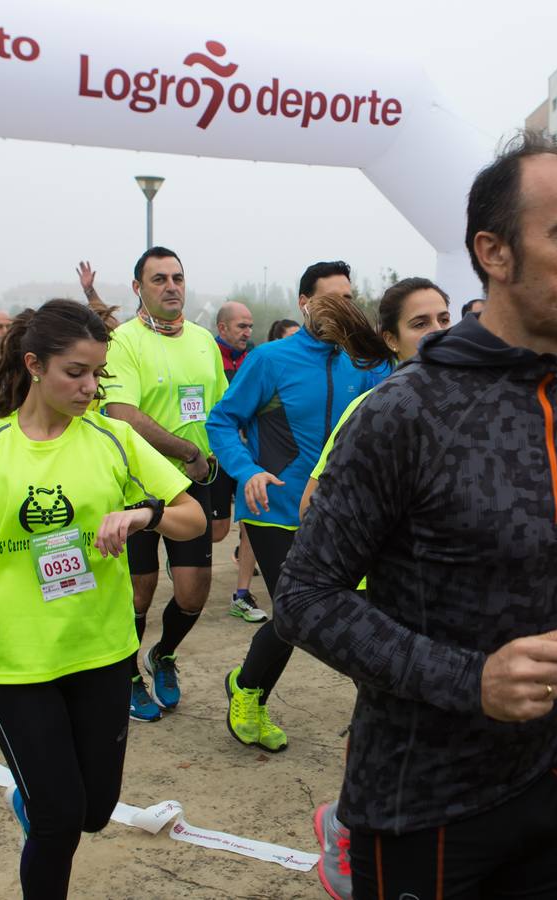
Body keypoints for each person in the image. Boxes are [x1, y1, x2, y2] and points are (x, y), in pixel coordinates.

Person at [271, 131, 557, 899]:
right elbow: (304, 598)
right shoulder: (404, 412)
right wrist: (470, 679)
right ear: (494, 252)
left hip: (541, 776)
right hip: (418, 804)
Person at [0, 299, 204, 900]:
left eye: (98, 374)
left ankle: (33, 800)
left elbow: (193, 518)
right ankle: (41, 813)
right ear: (35, 365)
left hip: (102, 652)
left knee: (94, 811)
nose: (90, 387)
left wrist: (146, 514)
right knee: (61, 819)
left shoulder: (115, 440)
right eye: (76, 373)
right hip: (20, 660)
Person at [299, 276, 452, 900]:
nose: (438, 331)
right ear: (391, 340)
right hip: (381, 603)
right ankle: (347, 825)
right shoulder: (379, 407)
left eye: (445, 317)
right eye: (420, 324)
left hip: (442, 599)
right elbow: (316, 500)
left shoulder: (474, 404)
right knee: (389, 721)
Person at [214, 262, 390, 753]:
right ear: (304, 303)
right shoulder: (271, 360)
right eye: (330, 299)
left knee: (359, 612)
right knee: (295, 613)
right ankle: (249, 692)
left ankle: (378, 718)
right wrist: (247, 471)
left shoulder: (369, 361)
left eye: (349, 299)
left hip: (348, 513)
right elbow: (223, 422)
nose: (341, 309)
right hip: (277, 508)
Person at [99, 247, 229, 721]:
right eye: (158, 279)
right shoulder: (122, 342)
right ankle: (128, 672)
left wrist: (220, 463)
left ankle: (163, 654)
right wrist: (188, 452)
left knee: (194, 592)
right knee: (138, 591)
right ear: (138, 288)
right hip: (134, 484)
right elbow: (122, 415)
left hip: (195, 482)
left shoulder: (202, 340)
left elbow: (220, 409)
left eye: (177, 277)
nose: (171, 286)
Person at [212, 300, 265, 623]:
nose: (247, 332)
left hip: (248, 455)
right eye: (241, 326)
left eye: (250, 326)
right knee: (217, 531)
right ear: (222, 328)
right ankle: (181, 551)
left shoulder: (255, 358)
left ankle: (241, 595)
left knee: (251, 522)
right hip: (219, 453)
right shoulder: (207, 356)